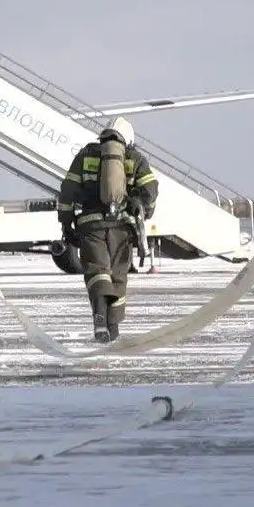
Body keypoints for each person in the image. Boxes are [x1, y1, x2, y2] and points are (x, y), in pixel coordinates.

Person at [56, 116, 159, 343]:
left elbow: (67, 190)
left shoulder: (85, 156)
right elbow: (150, 192)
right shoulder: (135, 158)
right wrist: (142, 208)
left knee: (97, 272)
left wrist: (65, 221)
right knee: (118, 277)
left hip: (90, 225)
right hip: (122, 228)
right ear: (128, 139)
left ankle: (99, 321)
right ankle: (113, 329)